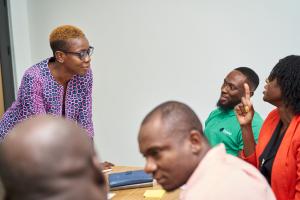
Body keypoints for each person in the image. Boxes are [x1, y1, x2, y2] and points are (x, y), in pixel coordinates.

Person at [138, 101, 275, 200]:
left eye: (156, 153)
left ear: (195, 141)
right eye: (146, 157)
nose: (148, 167)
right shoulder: (229, 166)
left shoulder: (209, 192)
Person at [0, 25, 94, 139]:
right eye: (81, 54)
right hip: (15, 142)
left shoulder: (84, 75)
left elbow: (85, 122)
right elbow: (41, 128)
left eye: (88, 51)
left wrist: (89, 155)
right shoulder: (34, 78)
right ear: (60, 56)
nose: (87, 59)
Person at [235, 55, 300, 200]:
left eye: (271, 77)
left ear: (286, 83)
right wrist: (246, 126)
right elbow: (255, 166)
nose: (266, 82)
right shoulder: (273, 118)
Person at [0, 115, 107, 200]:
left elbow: (86, 123)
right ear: (100, 178)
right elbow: (39, 123)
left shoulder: (84, 87)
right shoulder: (32, 87)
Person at [204, 67, 263, 156]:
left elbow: (247, 164)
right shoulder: (215, 113)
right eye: (224, 83)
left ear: (248, 94)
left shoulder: (254, 124)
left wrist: (246, 126)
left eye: (232, 87)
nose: (223, 89)